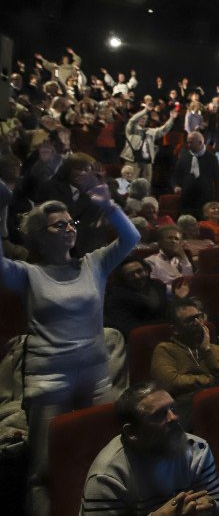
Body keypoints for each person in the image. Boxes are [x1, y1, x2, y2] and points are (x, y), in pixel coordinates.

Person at [0, 184, 140, 514]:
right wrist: (2, 209)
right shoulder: (28, 274)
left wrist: (109, 206)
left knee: (107, 455)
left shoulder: (93, 264)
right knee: (44, 470)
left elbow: (131, 238)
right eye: (58, 224)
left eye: (70, 223)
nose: (68, 229)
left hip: (95, 375)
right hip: (49, 379)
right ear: (39, 234)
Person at [81, 382, 219, 515]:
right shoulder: (107, 475)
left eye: (173, 409)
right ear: (131, 432)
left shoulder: (197, 450)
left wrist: (214, 507)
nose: (174, 417)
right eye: (159, 415)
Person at [151, 297, 219, 402]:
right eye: (190, 320)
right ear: (175, 330)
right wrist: (214, 380)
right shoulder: (165, 350)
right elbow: (171, 382)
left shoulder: (214, 349)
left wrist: (207, 351)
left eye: (199, 317)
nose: (198, 322)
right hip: (186, 406)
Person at [104, 256, 170, 341]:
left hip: (168, 333)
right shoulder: (115, 296)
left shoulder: (157, 285)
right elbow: (127, 327)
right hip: (143, 339)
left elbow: (168, 311)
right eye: (130, 274)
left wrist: (180, 298)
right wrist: (165, 326)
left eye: (139, 271)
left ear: (146, 270)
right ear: (123, 278)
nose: (137, 276)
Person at [173, 131, 219, 219]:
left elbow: (218, 181)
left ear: (200, 142)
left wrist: (218, 200)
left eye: (191, 142)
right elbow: (175, 176)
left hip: (204, 201)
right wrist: (175, 186)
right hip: (187, 200)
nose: (188, 145)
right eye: (187, 142)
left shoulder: (211, 158)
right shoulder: (184, 156)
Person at [121, 104, 178, 181]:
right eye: (141, 118)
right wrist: (145, 111)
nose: (142, 119)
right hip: (133, 160)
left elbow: (163, 130)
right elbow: (132, 120)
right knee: (130, 183)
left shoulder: (150, 131)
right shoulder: (131, 130)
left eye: (144, 118)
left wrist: (171, 119)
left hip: (147, 162)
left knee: (146, 184)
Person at [144, 224, 194, 296]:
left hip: (184, 295)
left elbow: (188, 279)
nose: (173, 241)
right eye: (170, 238)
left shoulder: (182, 260)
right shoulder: (150, 261)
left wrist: (184, 257)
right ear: (160, 241)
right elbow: (154, 286)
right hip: (164, 297)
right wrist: (176, 291)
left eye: (176, 239)